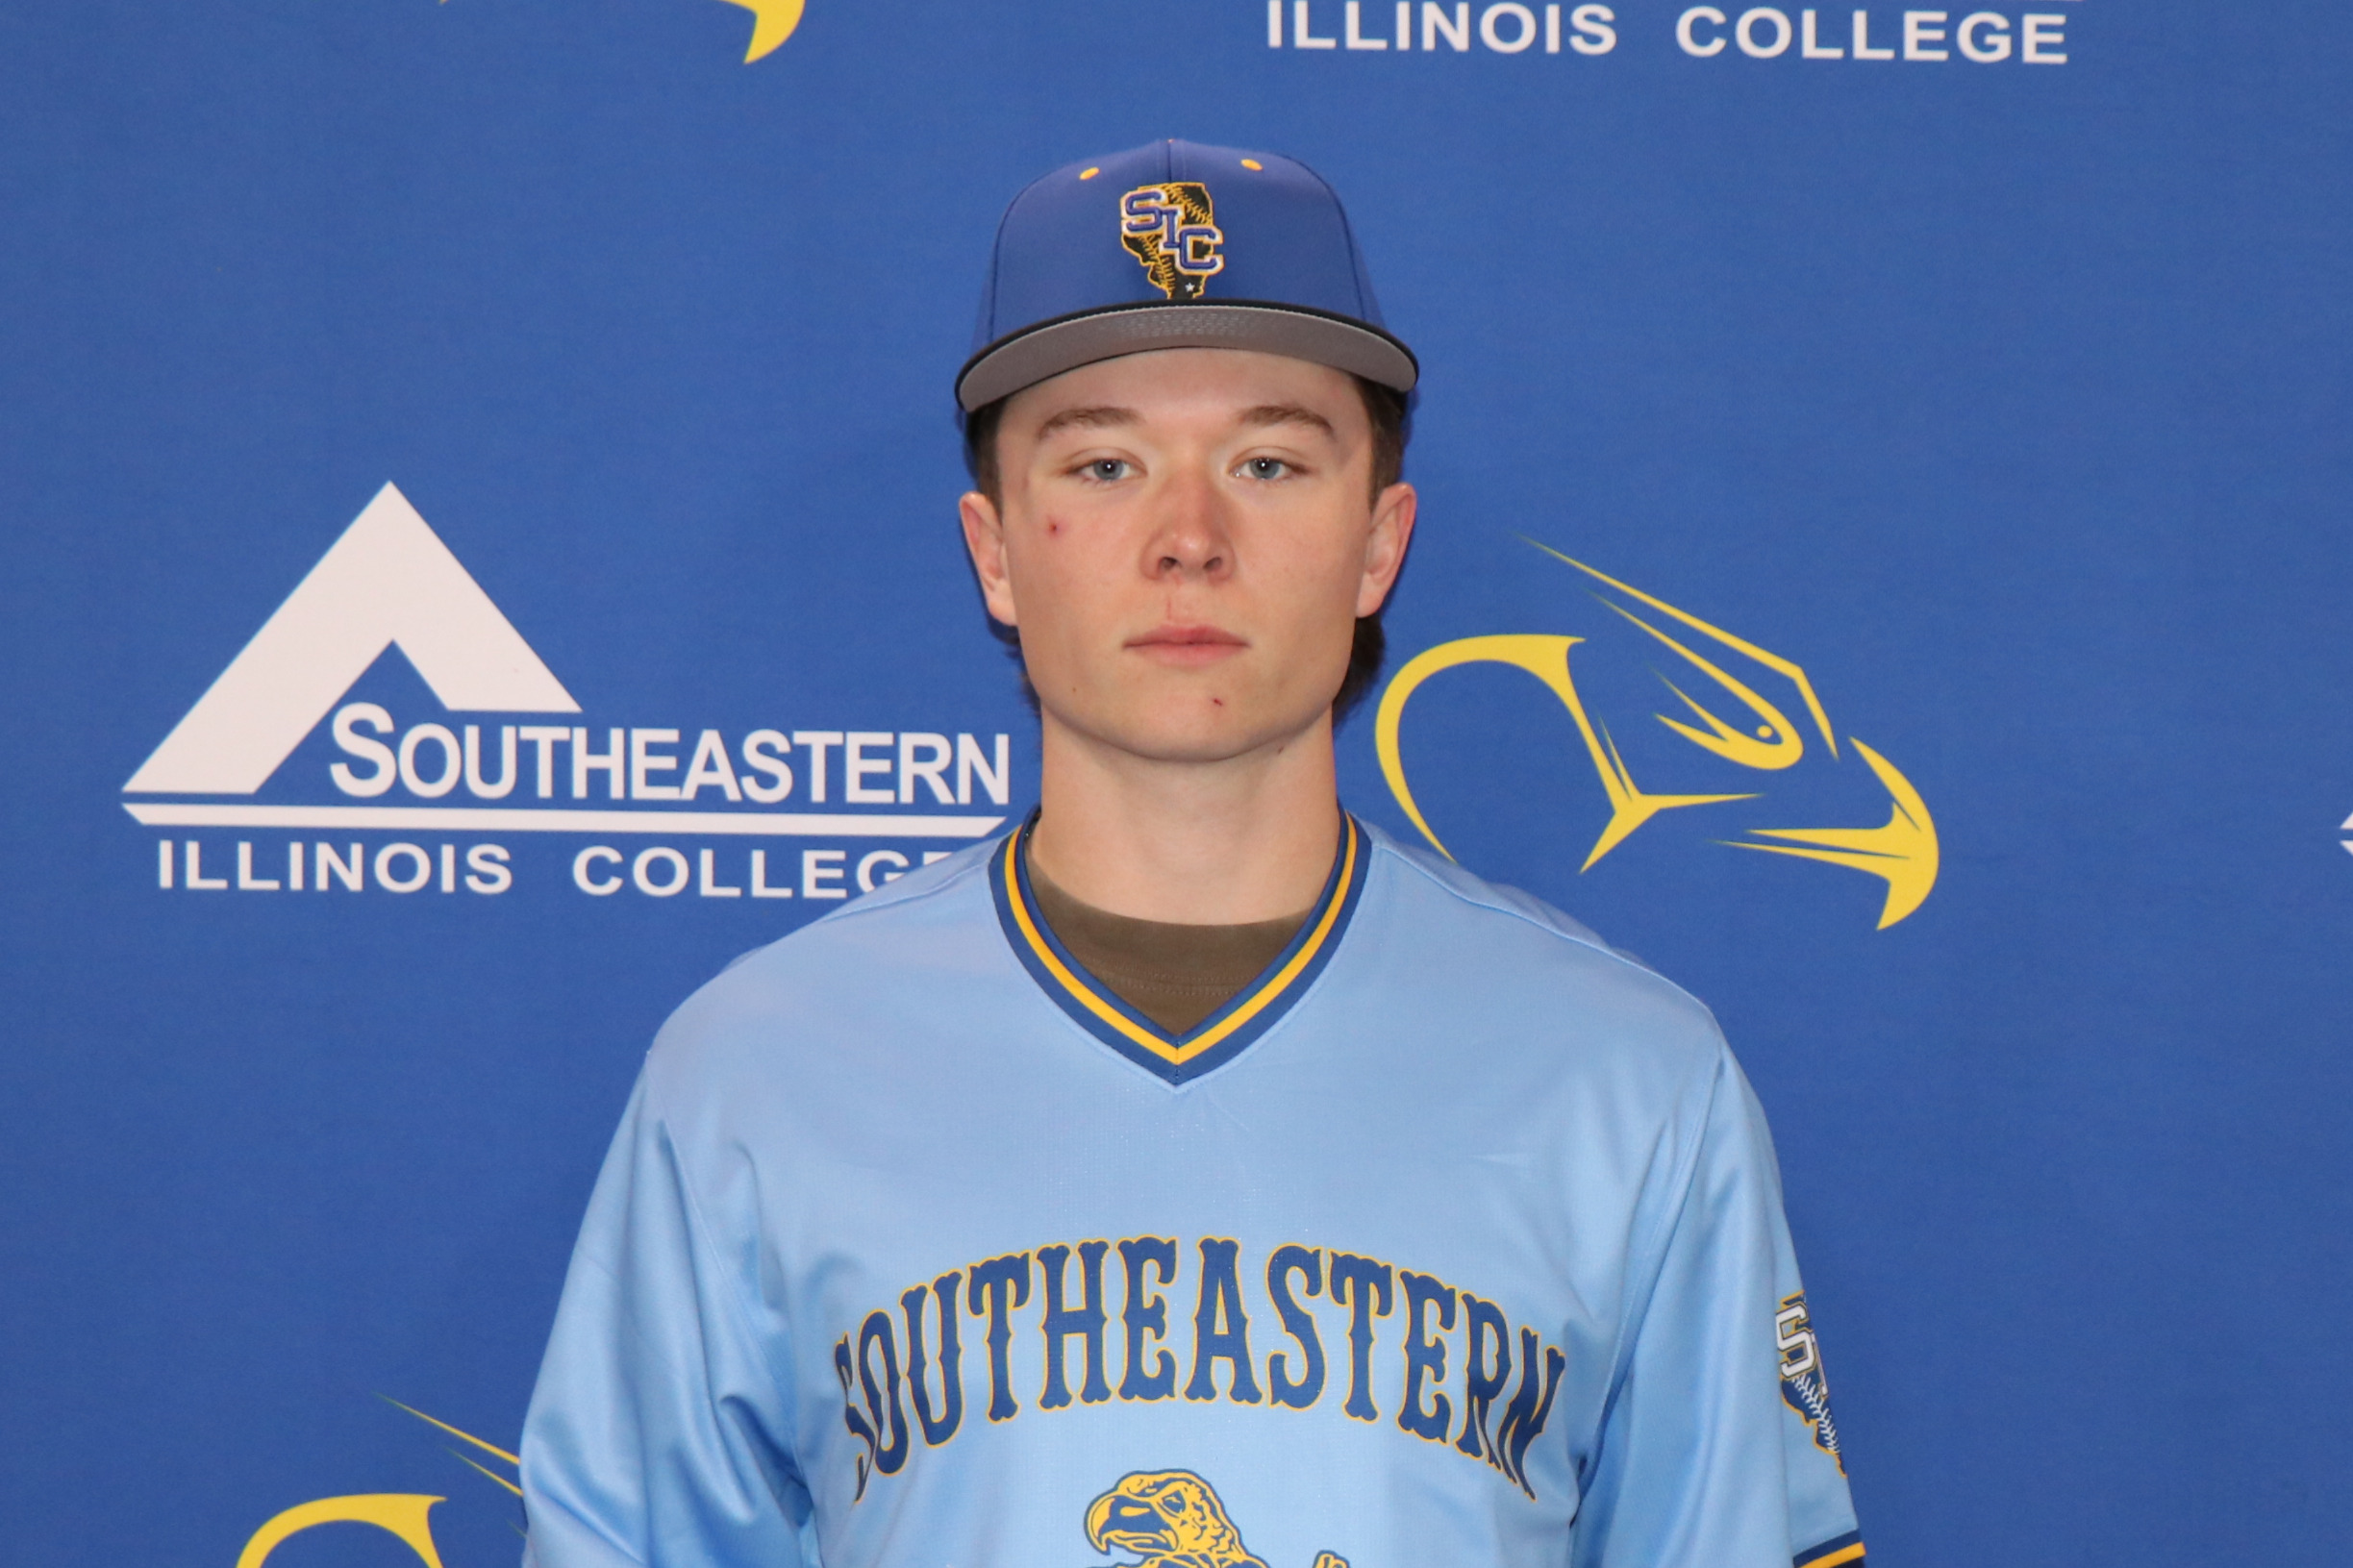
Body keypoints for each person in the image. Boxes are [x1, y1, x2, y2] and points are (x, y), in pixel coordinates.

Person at [518, 138, 1865, 1568]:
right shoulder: (755, 1070)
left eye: (1268, 463)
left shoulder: (1628, 1079)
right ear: (994, 550)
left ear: (1378, 543)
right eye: (1104, 464)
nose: (1188, 539)